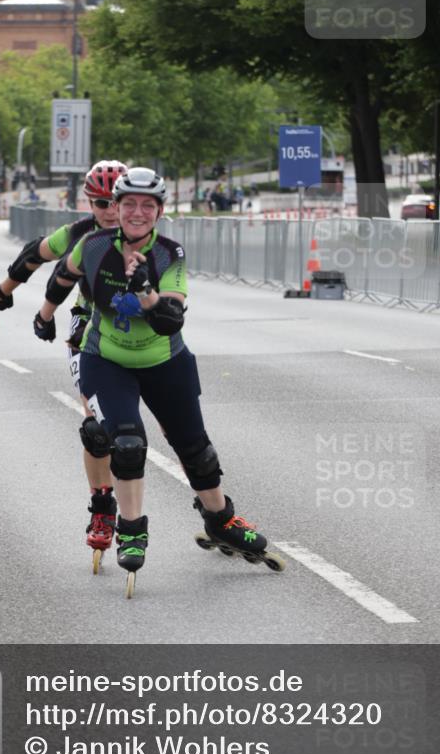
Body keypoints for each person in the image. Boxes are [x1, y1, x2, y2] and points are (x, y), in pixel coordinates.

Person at [36, 167, 284, 595]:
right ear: (116, 207)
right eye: (129, 203)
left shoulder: (170, 254)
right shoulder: (93, 245)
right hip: (105, 359)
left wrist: (146, 290)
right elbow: (63, 276)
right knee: (127, 442)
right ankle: (131, 529)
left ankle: (221, 520)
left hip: (166, 360)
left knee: (196, 450)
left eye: (147, 205)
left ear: (160, 210)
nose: (137, 212)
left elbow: (170, 320)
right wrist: (44, 315)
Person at [0, 160, 128, 568]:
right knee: (97, 430)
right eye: (101, 203)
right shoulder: (80, 233)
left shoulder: (145, 232)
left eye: (117, 201)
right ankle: (102, 509)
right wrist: (6, 289)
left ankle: (214, 509)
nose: (111, 211)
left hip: (138, 335)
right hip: (89, 332)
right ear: (89, 202)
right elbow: (36, 254)